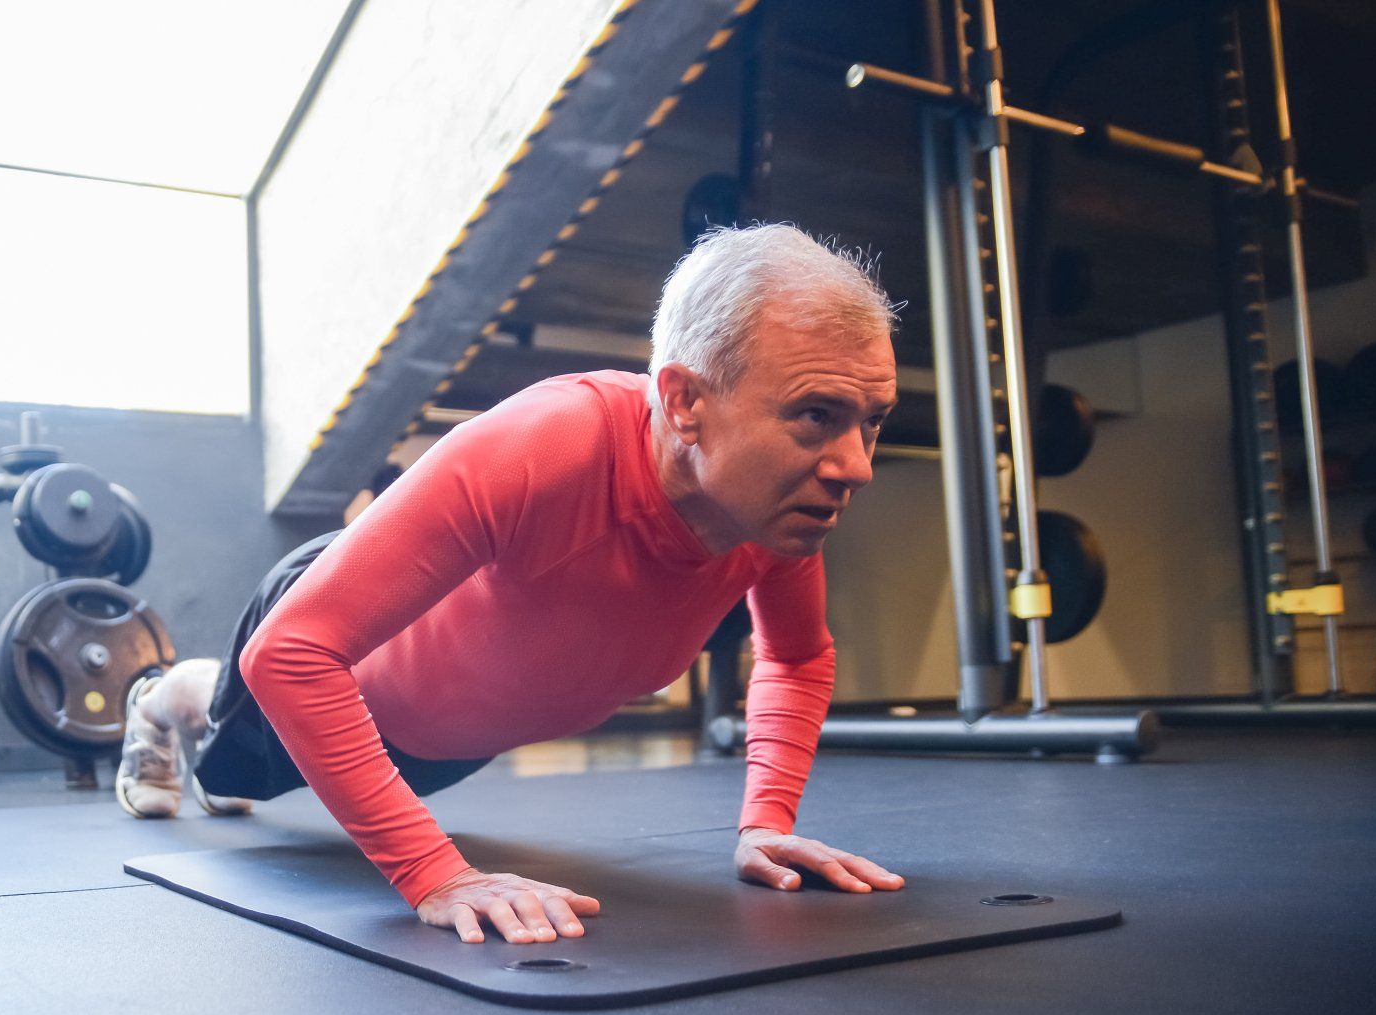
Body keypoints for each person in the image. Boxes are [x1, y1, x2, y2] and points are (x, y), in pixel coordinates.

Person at [116, 223, 906, 945]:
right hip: (335, 672)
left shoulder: (774, 515)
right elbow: (290, 653)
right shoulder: (547, 445)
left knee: (272, 789)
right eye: (816, 415)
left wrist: (764, 822)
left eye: (871, 420)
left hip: (449, 744)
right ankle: (159, 698)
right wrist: (435, 873)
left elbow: (798, 658)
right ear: (684, 402)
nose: (856, 467)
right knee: (230, 771)